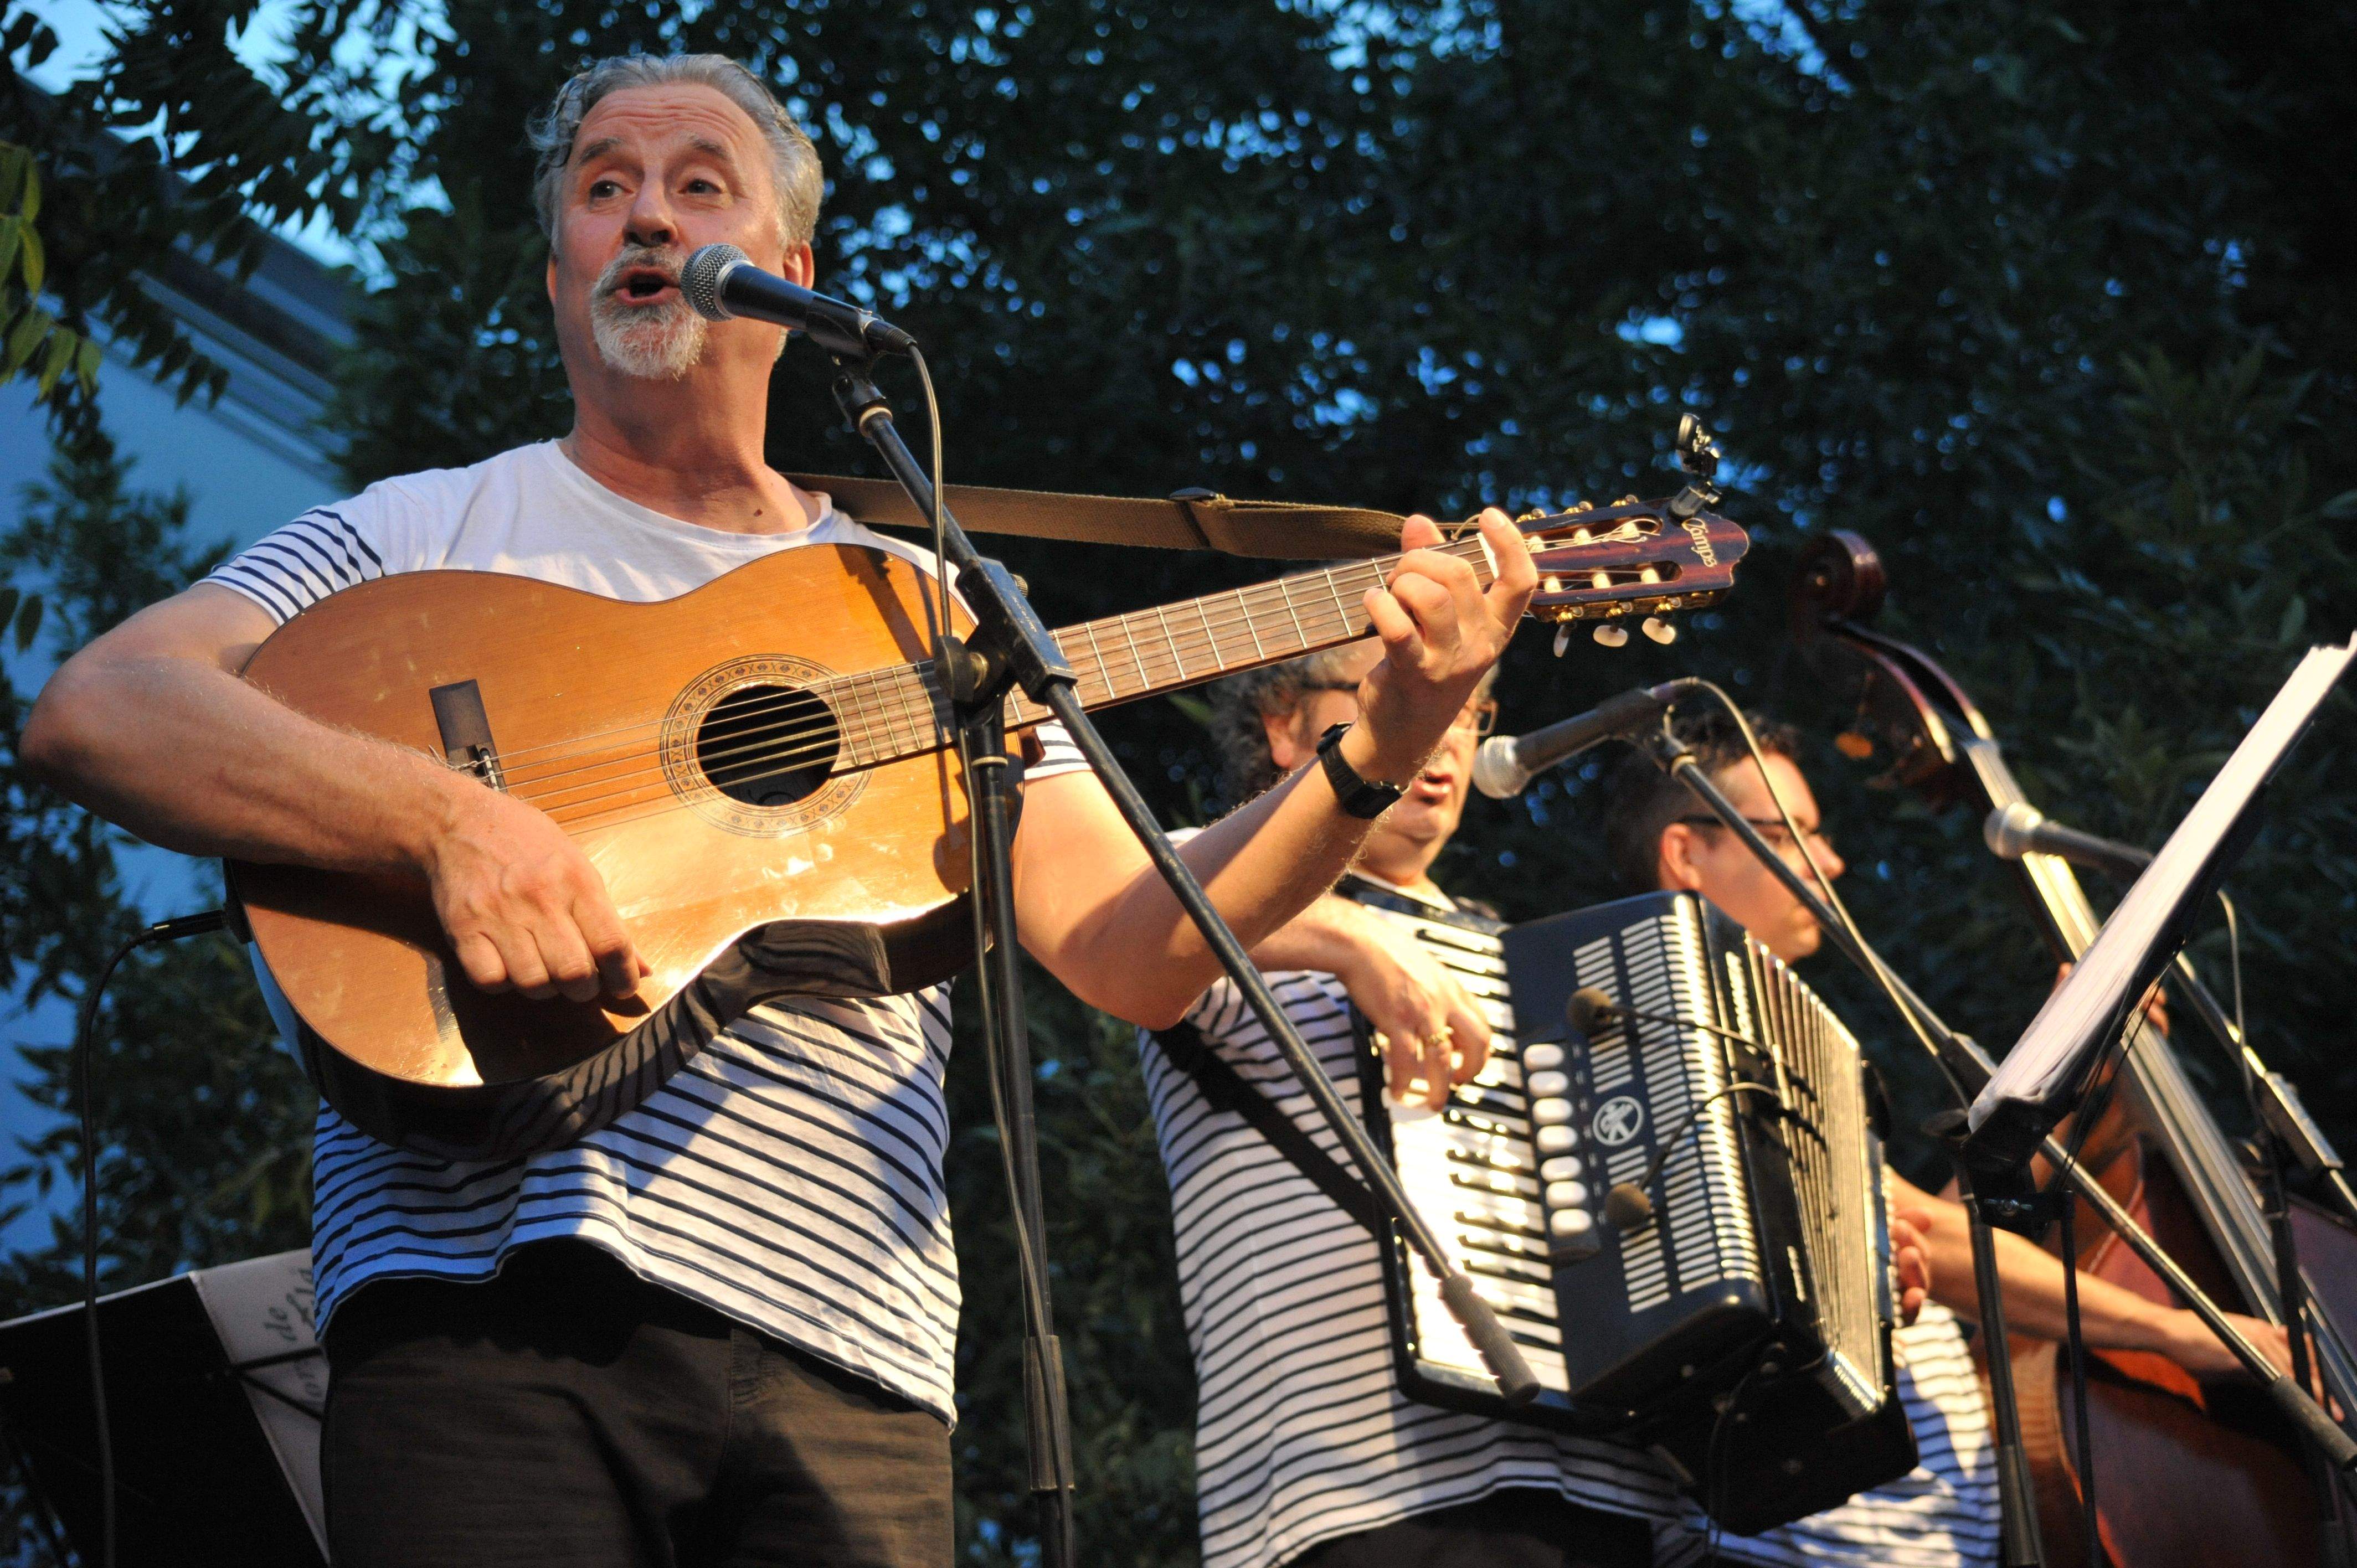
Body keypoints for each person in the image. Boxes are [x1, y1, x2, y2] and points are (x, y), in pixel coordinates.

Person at [20, 54, 1536, 1568]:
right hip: (485, 1324)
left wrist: (1381, 747)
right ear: (557, 277)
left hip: (851, 1367)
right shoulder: (426, 528)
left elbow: (1132, 948)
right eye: (603, 188)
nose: (647, 217)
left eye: (699, 186)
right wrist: (446, 826)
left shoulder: (924, 599)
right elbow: (106, 707)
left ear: (790, 277)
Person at [1135, 647, 1931, 1568]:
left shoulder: (1540, 971)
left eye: (1466, 707)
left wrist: (1840, 1259)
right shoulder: (1213, 895)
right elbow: (1126, 903)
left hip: (1621, 1508)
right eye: (1398, 694)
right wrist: (1353, 935)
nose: (1439, 732)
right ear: (1284, 725)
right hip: (1368, 1497)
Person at [1599, 705, 2296, 1568]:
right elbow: (1931, 1234)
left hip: (1894, 1536)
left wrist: (2068, 1071)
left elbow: (1923, 1226)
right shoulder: (1679, 1029)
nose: (1831, 863)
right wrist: (2178, 1331)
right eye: (1795, 834)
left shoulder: (1765, 1026)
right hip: (1806, 1544)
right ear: (1687, 853)